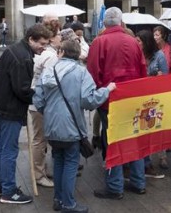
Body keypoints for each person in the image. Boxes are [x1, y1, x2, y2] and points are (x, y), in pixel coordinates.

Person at [34, 39, 116, 213]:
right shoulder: (81, 72)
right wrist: (107, 90)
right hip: (71, 126)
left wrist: (49, 112)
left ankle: (58, 199)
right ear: (78, 54)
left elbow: (38, 100)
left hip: (51, 126)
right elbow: (89, 100)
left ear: (62, 52)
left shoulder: (49, 70)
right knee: (71, 163)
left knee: (58, 161)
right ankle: (68, 203)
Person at [0, 23, 52, 204]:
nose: (44, 48)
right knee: (9, 150)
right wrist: (37, 95)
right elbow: (22, 90)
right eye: (42, 44)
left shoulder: (15, 50)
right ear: (31, 39)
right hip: (8, 108)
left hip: (0, 105)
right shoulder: (24, 58)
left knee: (1, 147)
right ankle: (9, 191)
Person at [87, 7, 147, 200]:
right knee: (133, 138)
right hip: (132, 98)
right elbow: (143, 69)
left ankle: (115, 186)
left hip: (109, 99)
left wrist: (96, 95)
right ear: (121, 23)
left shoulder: (99, 42)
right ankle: (138, 182)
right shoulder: (133, 41)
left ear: (105, 23)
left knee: (111, 140)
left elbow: (93, 73)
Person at [30, 24, 64, 189]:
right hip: (42, 103)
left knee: (41, 138)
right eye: (59, 36)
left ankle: (41, 170)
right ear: (52, 38)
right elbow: (50, 82)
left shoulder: (45, 53)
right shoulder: (50, 56)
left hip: (37, 101)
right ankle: (38, 174)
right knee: (40, 139)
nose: (61, 39)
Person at [136, 29, 169, 174]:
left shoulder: (159, 55)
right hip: (140, 97)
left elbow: (165, 77)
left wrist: (155, 78)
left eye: (139, 41)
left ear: (146, 42)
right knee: (142, 129)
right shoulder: (136, 54)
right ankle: (145, 161)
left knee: (153, 127)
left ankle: (159, 156)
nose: (136, 43)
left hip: (155, 98)